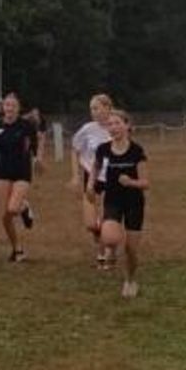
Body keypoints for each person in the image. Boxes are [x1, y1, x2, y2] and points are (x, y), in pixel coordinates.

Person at [92, 110, 150, 299]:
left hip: (134, 203)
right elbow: (95, 168)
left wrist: (131, 182)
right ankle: (111, 246)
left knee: (131, 250)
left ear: (127, 126)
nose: (114, 127)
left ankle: (130, 280)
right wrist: (91, 185)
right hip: (113, 201)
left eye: (117, 123)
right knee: (109, 238)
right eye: (110, 124)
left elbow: (146, 183)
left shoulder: (136, 151)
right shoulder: (103, 150)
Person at [0, 91, 39, 263]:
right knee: (5, 215)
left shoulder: (26, 125)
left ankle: (24, 207)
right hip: (3, 171)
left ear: (18, 108)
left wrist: (37, 159)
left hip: (22, 170)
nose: (9, 108)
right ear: (3, 107)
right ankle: (17, 249)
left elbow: (34, 145)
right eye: (7, 105)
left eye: (13, 105)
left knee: (13, 208)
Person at [70, 92, 115, 268]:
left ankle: (104, 254)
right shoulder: (88, 129)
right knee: (90, 224)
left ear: (107, 108)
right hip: (91, 176)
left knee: (105, 218)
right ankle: (102, 237)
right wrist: (76, 175)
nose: (93, 112)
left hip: (112, 177)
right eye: (91, 109)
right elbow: (75, 149)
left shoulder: (116, 126)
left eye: (96, 108)